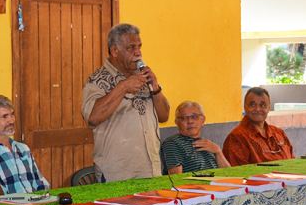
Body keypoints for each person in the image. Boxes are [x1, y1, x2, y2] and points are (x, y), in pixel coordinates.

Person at [81, 23, 170, 183]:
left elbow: (164, 116)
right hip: (117, 174)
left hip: (151, 170)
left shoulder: (143, 76)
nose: (138, 53)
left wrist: (155, 89)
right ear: (115, 50)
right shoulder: (97, 80)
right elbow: (93, 117)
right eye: (131, 48)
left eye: (139, 47)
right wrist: (123, 86)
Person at [0, 95, 49, 194]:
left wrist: (42, 200)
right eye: (4, 116)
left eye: (12, 114)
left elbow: (40, 182)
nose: (11, 120)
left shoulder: (23, 148)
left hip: (35, 204)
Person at [223, 87, 294, 166]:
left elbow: (293, 163)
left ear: (268, 108)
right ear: (245, 107)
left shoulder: (279, 133)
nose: (257, 109)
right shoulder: (236, 138)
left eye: (262, 105)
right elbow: (240, 174)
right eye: (252, 105)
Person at [160, 101, 230, 174]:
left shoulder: (209, 144)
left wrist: (218, 151)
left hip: (218, 183)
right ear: (177, 122)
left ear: (203, 120)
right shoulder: (172, 143)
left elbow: (229, 174)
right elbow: (176, 179)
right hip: (196, 185)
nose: (190, 121)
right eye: (184, 118)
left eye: (194, 117)